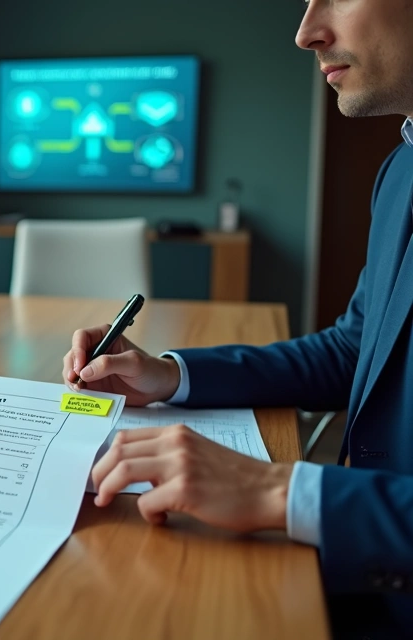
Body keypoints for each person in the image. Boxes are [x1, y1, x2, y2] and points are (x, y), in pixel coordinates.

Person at [64, 0, 413, 633]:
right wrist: (169, 375)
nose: (307, 32)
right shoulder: (402, 171)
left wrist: (280, 491)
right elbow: (354, 349)